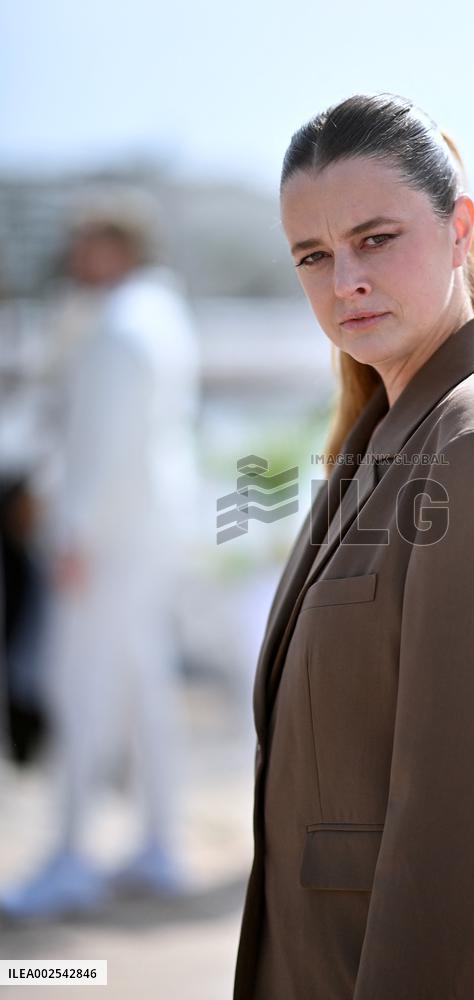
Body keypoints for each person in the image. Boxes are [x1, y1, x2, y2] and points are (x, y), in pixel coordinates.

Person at [233, 93, 474, 999]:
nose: (344, 283)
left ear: (459, 230)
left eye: (376, 239)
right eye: (313, 256)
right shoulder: (390, 432)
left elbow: (463, 831)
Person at [0, 191, 201, 917]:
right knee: (145, 689)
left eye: (84, 243)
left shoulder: (119, 327)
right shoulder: (159, 313)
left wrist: (70, 531)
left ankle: (71, 852)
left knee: (78, 688)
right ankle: (157, 845)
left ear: (116, 246)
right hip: (152, 531)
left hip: (111, 541)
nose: (73, 257)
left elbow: (99, 447)